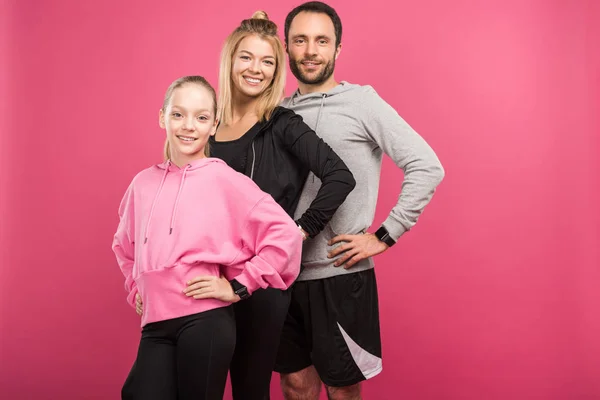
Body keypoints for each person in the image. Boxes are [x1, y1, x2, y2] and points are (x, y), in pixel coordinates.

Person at [274, 2, 446, 400]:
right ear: (287, 48)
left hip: (340, 276)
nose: (311, 50)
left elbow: (426, 166)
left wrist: (385, 235)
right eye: (301, 40)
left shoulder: (362, 103)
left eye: (322, 41)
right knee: (294, 383)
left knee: (342, 387)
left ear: (337, 49)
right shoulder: (278, 113)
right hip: (283, 276)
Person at [112, 75, 302, 400]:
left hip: (205, 321)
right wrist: (135, 288)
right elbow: (124, 245)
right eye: (178, 114)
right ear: (162, 117)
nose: (189, 126)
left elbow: (284, 235)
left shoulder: (224, 179)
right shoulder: (141, 184)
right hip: (156, 323)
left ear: (213, 125)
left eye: (201, 117)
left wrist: (238, 286)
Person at [203, 11, 355, 400]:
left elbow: (340, 176)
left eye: (267, 61)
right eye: (246, 58)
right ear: (230, 60)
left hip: (259, 285)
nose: (256, 69)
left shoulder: (282, 124)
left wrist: (296, 233)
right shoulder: (206, 124)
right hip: (206, 279)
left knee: (250, 390)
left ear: (276, 70)